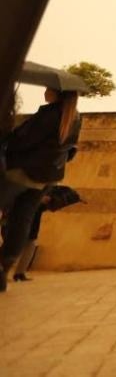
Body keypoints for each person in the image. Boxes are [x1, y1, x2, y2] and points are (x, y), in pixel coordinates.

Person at [0, 87, 80, 292]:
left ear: (56, 92)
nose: (45, 91)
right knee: (22, 221)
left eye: (48, 89)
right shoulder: (75, 118)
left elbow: (21, 141)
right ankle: (3, 270)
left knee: (17, 220)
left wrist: (11, 135)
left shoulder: (49, 114)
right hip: (47, 179)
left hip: (22, 172)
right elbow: (70, 151)